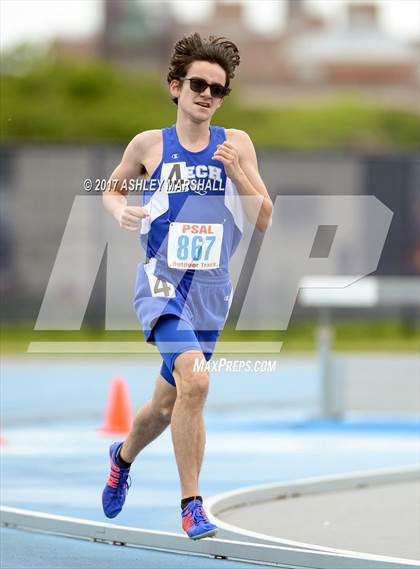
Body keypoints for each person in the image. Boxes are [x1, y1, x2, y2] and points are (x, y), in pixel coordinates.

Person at [102, 33, 272, 540]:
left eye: (217, 90)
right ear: (176, 87)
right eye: (197, 84)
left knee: (165, 404)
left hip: (210, 291)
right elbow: (112, 187)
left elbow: (264, 218)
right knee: (196, 382)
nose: (206, 95)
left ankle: (122, 455)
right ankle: (191, 504)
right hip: (161, 280)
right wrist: (120, 209)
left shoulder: (237, 144)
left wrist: (239, 174)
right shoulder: (148, 144)